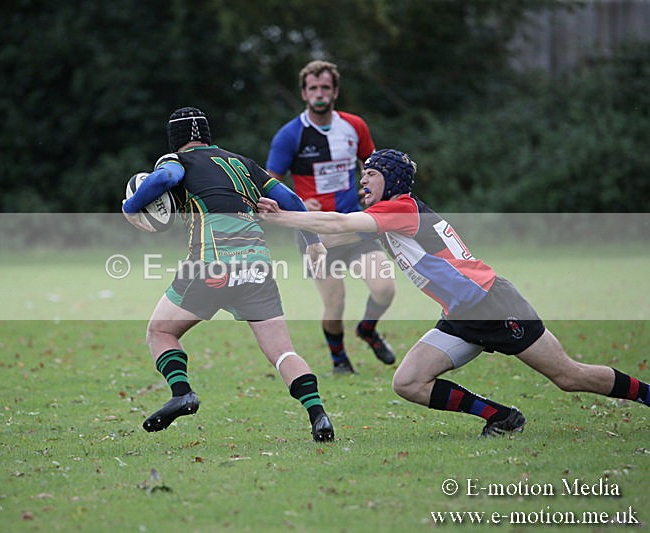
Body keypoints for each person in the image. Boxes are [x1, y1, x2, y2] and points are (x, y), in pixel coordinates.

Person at [258, 148, 650, 436]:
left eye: (371, 174)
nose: (363, 181)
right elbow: (337, 233)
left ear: (391, 180)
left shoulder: (402, 208)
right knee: (408, 382)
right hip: (461, 315)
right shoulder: (386, 217)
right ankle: (501, 417)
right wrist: (299, 235)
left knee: (568, 375)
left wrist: (285, 217)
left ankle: (647, 395)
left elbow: (338, 224)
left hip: (493, 304)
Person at [122, 106, 334, 442]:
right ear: (207, 135)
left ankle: (182, 393)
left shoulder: (176, 160)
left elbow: (164, 180)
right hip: (257, 266)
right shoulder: (243, 163)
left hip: (212, 264)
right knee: (282, 352)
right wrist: (314, 242)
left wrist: (130, 206)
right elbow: (293, 200)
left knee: (160, 332)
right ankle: (318, 414)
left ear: (175, 139)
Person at [267, 60, 396, 374]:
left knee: (385, 288)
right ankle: (340, 361)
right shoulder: (290, 135)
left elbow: (373, 166)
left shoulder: (355, 126)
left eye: (325, 87)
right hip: (315, 234)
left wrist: (371, 193)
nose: (319, 93)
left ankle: (367, 329)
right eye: (313, 88)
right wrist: (297, 204)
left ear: (335, 91)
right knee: (334, 303)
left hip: (354, 224)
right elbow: (269, 183)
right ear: (304, 93)